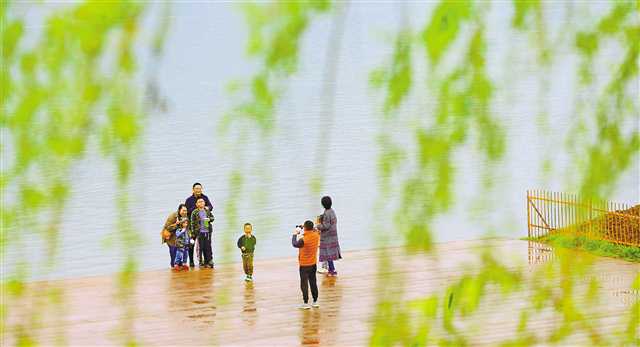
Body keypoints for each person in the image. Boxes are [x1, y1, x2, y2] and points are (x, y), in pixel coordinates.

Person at [292, 220, 320, 309]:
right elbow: (315, 229)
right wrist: (303, 226)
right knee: (313, 282)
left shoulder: (303, 240)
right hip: (313, 263)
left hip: (304, 265)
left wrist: (295, 233)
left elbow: (294, 244)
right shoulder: (316, 235)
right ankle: (315, 301)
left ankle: (305, 302)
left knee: (304, 284)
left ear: (305, 228)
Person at [185, 182, 213, 267]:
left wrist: (206, 208)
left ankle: (207, 261)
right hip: (193, 225)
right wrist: (198, 208)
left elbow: (211, 207)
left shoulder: (205, 197)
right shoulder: (189, 200)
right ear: (193, 190)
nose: (198, 190)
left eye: (200, 189)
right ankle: (191, 261)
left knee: (206, 244)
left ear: (201, 189)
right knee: (191, 243)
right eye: (196, 189)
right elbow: (186, 211)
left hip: (205, 226)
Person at [316, 196, 341, 276]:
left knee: (328, 253)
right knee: (328, 254)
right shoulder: (332, 211)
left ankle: (331, 270)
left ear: (323, 204)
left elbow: (326, 226)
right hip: (333, 235)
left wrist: (318, 226)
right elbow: (332, 222)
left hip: (327, 237)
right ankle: (330, 268)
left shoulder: (326, 213)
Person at [162, 204, 189, 268]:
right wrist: (176, 225)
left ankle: (179, 267)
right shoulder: (173, 216)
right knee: (173, 256)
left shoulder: (185, 217)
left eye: (186, 211)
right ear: (179, 210)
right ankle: (173, 269)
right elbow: (167, 228)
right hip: (170, 238)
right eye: (183, 210)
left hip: (179, 238)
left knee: (179, 255)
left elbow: (187, 227)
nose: (185, 212)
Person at [190, 197, 215, 268]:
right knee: (200, 247)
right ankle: (201, 261)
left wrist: (209, 219)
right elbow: (192, 223)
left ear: (204, 203)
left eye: (202, 201)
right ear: (196, 204)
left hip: (208, 232)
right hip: (199, 232)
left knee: (208, 246)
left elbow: (213, 218)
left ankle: (209, 260)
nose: (201, 203)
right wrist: (193, 233)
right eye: (199, 202)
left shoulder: (207, 210)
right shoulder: (194, 212)